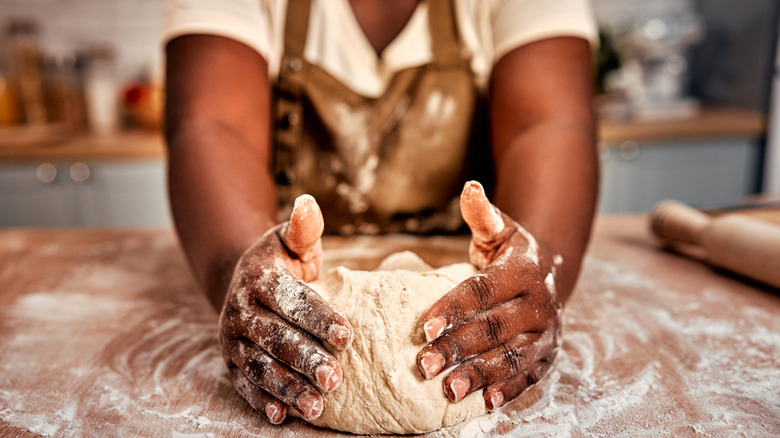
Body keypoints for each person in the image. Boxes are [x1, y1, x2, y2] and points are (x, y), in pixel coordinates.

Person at [163, 0, 598, 425]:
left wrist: (539, 264)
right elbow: (212, 123)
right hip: (298, 277)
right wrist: (242, 273)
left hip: (465, 276)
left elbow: (549, 123)